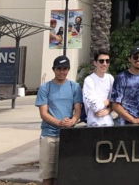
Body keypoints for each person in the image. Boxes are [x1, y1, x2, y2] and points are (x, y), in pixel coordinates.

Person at [35, 56, 81, 185]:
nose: (62, 72)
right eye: (59, 69)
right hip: (48, 135)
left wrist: (73, 121)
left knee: (62, 175)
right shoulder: (45, 88)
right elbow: (43, 113)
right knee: (47, 175)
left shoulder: (74, 87)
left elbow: (77, 110)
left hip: (67, 136)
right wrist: (58, 123)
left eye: (65, 69)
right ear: (53, 70)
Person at [82, 49, 116, 127]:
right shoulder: (89, 80)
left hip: (109, 124)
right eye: (101, 61)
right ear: (95, 63)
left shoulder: (110, 78)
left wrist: (108, 110)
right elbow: (95, 107)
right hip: (94, 125)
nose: (104, 64)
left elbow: (115, 101)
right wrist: (107, 101)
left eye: (107, 61)